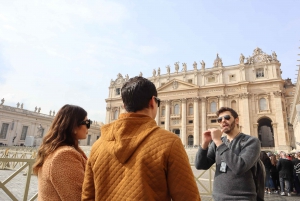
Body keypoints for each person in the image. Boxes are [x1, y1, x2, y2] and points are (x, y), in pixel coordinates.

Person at [82, 76, 200, 201]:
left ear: (124, 105)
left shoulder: (98, 145)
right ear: (152, 102)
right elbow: (188, 197)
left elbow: (87, 196)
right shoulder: (170, 143)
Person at [195, 107, 261, 201]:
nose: (223, 121)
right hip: (218, 197)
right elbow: (200, 165)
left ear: (236, 120)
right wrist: (205, 144)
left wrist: (217, 141)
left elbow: (239, 167)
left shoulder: (251, 141)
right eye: (220, 119)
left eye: (227, 117)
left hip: (242, 198)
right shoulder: (218, 143)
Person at [33, 104, 89, 201]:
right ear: (74, 127)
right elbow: (79, 197)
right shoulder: (64, 155)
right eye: (87, 123)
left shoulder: (56, 150)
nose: (88, 127)